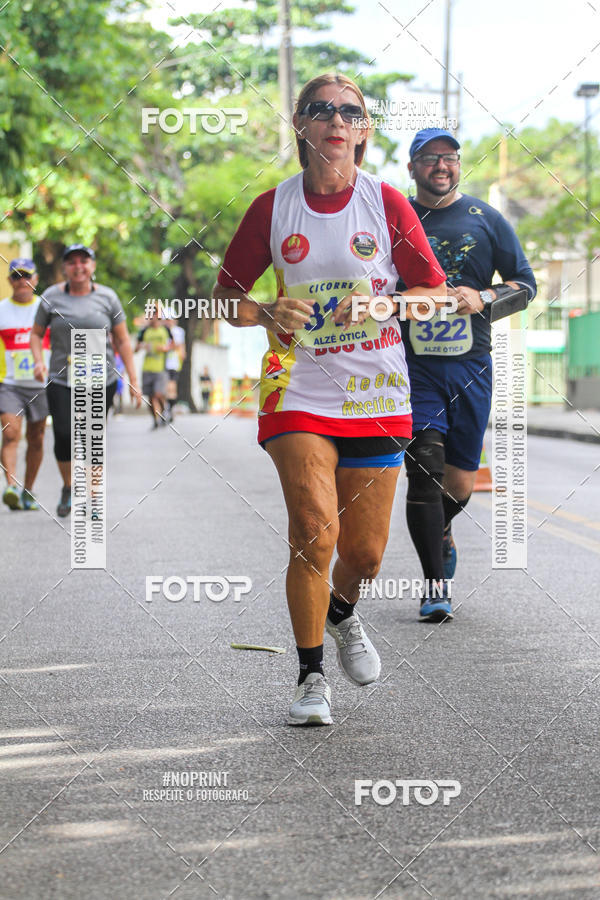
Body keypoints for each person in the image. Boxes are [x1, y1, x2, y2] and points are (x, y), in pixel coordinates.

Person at [214, 73, 446, 726]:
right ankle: (311, 675)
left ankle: (342, 614)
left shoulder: (387, 204)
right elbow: (224, 301)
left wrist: (385, 302)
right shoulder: (273, 208)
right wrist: (262, 309)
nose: (335, 120)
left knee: (365, 554)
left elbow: (437, 294)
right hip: (298, 387)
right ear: (301, 127)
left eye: (350, 111)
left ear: (363, 131)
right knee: (315, 530)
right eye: (321, 110)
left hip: (376, 390)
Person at [397, 128, 536, 622]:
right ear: (412, 166)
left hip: (472, 367)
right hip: (413, 368)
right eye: (430, 158)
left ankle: (440, 528)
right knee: (423, 468)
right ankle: (435, 586)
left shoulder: (486, 219)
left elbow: (526, 283)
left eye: (450, 157)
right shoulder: (396, 215)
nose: (441, 165)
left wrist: (485, 297)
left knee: (456, 484)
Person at [30, 244, 141, 517]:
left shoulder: (108, 297)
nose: (78, 267)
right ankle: (69, 487)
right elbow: (36, 333)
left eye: (84, 261)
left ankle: (92, 498)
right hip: (60, 378)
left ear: (92, 266)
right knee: (65, 435)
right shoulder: (50, 296)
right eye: (72, 262)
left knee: (91, 439)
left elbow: (123, 340)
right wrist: (38, 360)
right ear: (65, 268)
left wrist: (133, 379)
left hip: (99, 379)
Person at [0, 259, 49, 511]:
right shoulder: (1, 310)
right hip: (8, 384)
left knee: (37, 438)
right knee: (10, 434)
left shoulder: (46, 309)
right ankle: (11, 487)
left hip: (40, 384)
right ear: (10, 280)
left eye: (26, 275)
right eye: (16, 276)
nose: (21, 281)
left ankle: (28, 490)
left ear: (35, 279)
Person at [135, 311, 173, 428]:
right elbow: (135, 348)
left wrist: (165, 348)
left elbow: (173, 344)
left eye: (155, 315)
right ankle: (155, 420)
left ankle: (164, 411)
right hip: (147, 367)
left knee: (158, 393)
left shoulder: (165, 330)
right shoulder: (144, 331)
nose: (153, 318)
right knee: (150, 397)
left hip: (160, 367)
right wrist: (141, 346)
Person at [164, 312, 186, 422]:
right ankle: (166, 408)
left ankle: (170, 409)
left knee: (171, 387)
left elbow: (181, 347)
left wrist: (181, 356)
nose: (169, 321)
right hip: (162, 363)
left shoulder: (178, 331)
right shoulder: (162, 331)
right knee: (164, 388)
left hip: (173, 363)